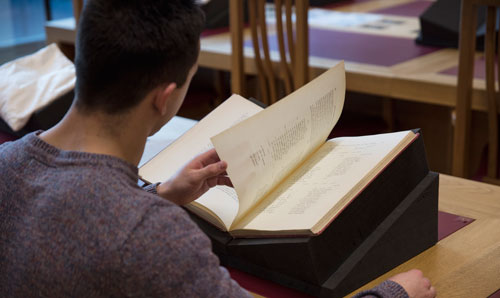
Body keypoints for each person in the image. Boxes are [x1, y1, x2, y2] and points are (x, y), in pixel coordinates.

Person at [0, 0, 436, 297]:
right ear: (166, 97)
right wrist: (394, 293)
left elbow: (76, 224)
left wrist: (159, 196)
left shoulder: (7, 164)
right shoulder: (150, 237)